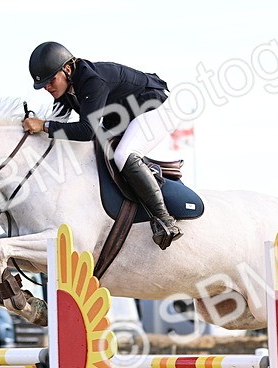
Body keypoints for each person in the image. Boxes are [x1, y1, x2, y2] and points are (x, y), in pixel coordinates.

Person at [22, 41, 182, 249]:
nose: (47, 87)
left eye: (51, 80)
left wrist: (44, 126)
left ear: (67, 69)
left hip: (156, 107)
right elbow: (57, 126)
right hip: (125, 117)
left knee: (124, 155)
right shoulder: (65, 91)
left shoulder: (91, 81)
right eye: (43, 84)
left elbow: (87, 131)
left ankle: (165, 220)